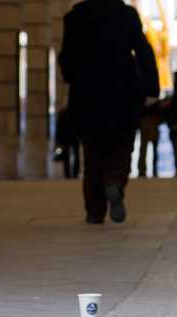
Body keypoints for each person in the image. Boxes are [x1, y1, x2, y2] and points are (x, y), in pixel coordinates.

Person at [59, 0, 159, 224]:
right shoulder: (126, 14)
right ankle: (115, 181)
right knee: (122, 146)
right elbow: (143, 50)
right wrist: (151, 88)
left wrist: (71, 76)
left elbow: (66, 56)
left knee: (92, 155)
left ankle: (95, 211)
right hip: (123, 92)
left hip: (87, 94)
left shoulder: (75, 17)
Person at [137, 100, 164, 178]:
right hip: (150, 121)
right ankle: (146, 170)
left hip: (150, 121)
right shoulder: (155, 101)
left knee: (145, 148)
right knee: (145, 148)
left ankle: (144, 170)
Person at [54, 106, 81, 179]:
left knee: (68, 157)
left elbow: (58, 128)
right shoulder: (76, 113)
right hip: (73, 138)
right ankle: (74, 174)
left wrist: (58, 140)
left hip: (67, 138)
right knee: (75, 156)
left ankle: (68, 174)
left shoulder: (62, 113)